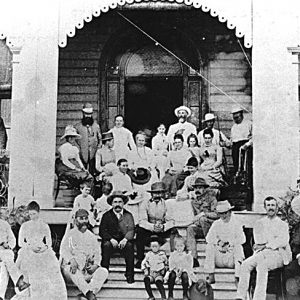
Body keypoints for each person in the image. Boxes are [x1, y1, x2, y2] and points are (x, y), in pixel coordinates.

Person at [236, 196, 292, 300]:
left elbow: (283, 241)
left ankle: (258, 298)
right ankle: (241, 296)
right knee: (245, 264)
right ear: (265, 207)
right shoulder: (259, 223)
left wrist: (266, 244)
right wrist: (271, 242)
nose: (271, 208)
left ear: (277, 208)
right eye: (268, 205)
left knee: (262, 266)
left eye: (273, 205)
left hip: (279, 254)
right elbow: (259, 241)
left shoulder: (282, 224)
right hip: (262, 253)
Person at [16, 201, 67, 300]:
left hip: (42, 249)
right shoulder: (25, 226)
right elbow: (20, 242)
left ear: (38, 212)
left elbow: (49, 242)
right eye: (30, 214)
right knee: (30, 264)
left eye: (34, 214)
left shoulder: (44, 225)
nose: (32, 216)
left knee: (50, 264)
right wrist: (30, 247)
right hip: (29, 249)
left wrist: (44, 248)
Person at [60, 209, 108, 300]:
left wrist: (95, 265)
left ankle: (86, 295)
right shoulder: (70, 234)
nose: (84, 221)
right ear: (76, 220)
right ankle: (89, 294)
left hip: (86, 271)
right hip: (72, 271)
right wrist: (71, 260)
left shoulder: (91, 236)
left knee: (103, 271)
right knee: (72, 270)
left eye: (86, 218)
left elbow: (98, 253)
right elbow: (64, 250)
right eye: (81, 219)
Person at [135, 182, 177, 269]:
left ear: (163, 194)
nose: (157, 195)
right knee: (139, 230)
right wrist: (152, 227)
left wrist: (163, 227)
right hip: (149, 229)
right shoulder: (145, 204)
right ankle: (140, 259)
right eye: (155, 193)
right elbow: (142, 220)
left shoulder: (166, 204)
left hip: (162, 230)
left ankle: (174, 257)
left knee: (174, 230)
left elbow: (171, 220)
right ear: (152, 194)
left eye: (160, 193)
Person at [204, 200, 245, 284]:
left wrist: (230, 244)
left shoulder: (236, 223)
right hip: (219, 257)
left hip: (231, 257)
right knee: (209, 246)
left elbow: (242, 239)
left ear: (229, 212)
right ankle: (211, 275)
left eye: (225, 213)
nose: (223, 216)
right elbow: (208, 238)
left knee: (239, 248)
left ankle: (238, 277)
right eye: (221, 213)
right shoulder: (216, 223)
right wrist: (219, 242)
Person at [99, 191, 135, 284]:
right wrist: (111, 239)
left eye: (120, 202)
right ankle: (104, 275)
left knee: (130, 246)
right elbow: (102, 231)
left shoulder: (128, 215)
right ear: (111, 204)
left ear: (123, 203)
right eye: (115, 202)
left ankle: (129, 274)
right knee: (105, 245)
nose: (117, 204)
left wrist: (125, 239)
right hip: (111, 242)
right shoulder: (106, 215)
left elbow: (131, 230)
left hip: (123, 242)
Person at [186, 178, 219, 259]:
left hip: (213, 227)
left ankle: (210, 244)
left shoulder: (211, 199)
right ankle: (193, 257)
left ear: (204, 189)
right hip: (202, 226)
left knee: (203, 219)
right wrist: (197, 220)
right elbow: (195, 217)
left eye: (200, 188)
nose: (197, 190)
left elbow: (217, 215)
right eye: (196, 188)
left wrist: (204, 214)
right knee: (190, 229)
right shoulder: (194, 202)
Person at [0, 218, 30, 300]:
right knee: (6, 263)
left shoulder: (4, 224)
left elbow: (12, 240)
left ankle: (1, 295)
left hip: (5, 251)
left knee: (5, 264)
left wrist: (8, 245)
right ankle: (19, 282)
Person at [74, 103, 101, 175]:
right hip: (82, 153)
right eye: (86, 114)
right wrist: (78, 149)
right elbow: (74, 140)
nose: (88, 116)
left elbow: (99, 139)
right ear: (83, 113)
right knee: (82, 171)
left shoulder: (96, 126)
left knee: (93, 172)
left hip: (94, 153)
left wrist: (98, 149)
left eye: (89, 114)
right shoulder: (77, 126)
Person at [167, 236, 197, 300]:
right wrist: (176, 270)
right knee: (172, 275)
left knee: (185, 275)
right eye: (177, 246)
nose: (179, 248)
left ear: (184, 246)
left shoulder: (187, 255)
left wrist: (182, 269)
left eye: (181, 246)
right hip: (175, 271)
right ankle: (170, 294)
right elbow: (171, 265)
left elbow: (189, 265)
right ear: (175, 246)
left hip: (185, 271)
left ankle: (185, 294)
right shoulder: (173, 255)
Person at [141, 235, 168, 300]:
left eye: (156, 246)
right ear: (150, 247)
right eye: (153, 246)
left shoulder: (162, 255)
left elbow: (167, 263)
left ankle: (163, 297)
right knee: (146, 280)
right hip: (151, 273)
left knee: (158, 282)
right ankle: (151, 296)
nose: (154, 248)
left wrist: (164, 269)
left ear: (159, 246)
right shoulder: (148, 254)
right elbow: (143, 263)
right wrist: (145, 269)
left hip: (159, 273)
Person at [230, 106, 252, 174]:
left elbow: (254, 137)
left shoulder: (249, 124)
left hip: (245, 146)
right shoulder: (233, 127)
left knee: (245, 166)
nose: (236, 118)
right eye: (234, 117)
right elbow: (232, 140)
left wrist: (247, 144)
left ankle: (246, 180)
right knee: (236, 165)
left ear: (241, 114)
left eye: (237, 116)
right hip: (235, 147)